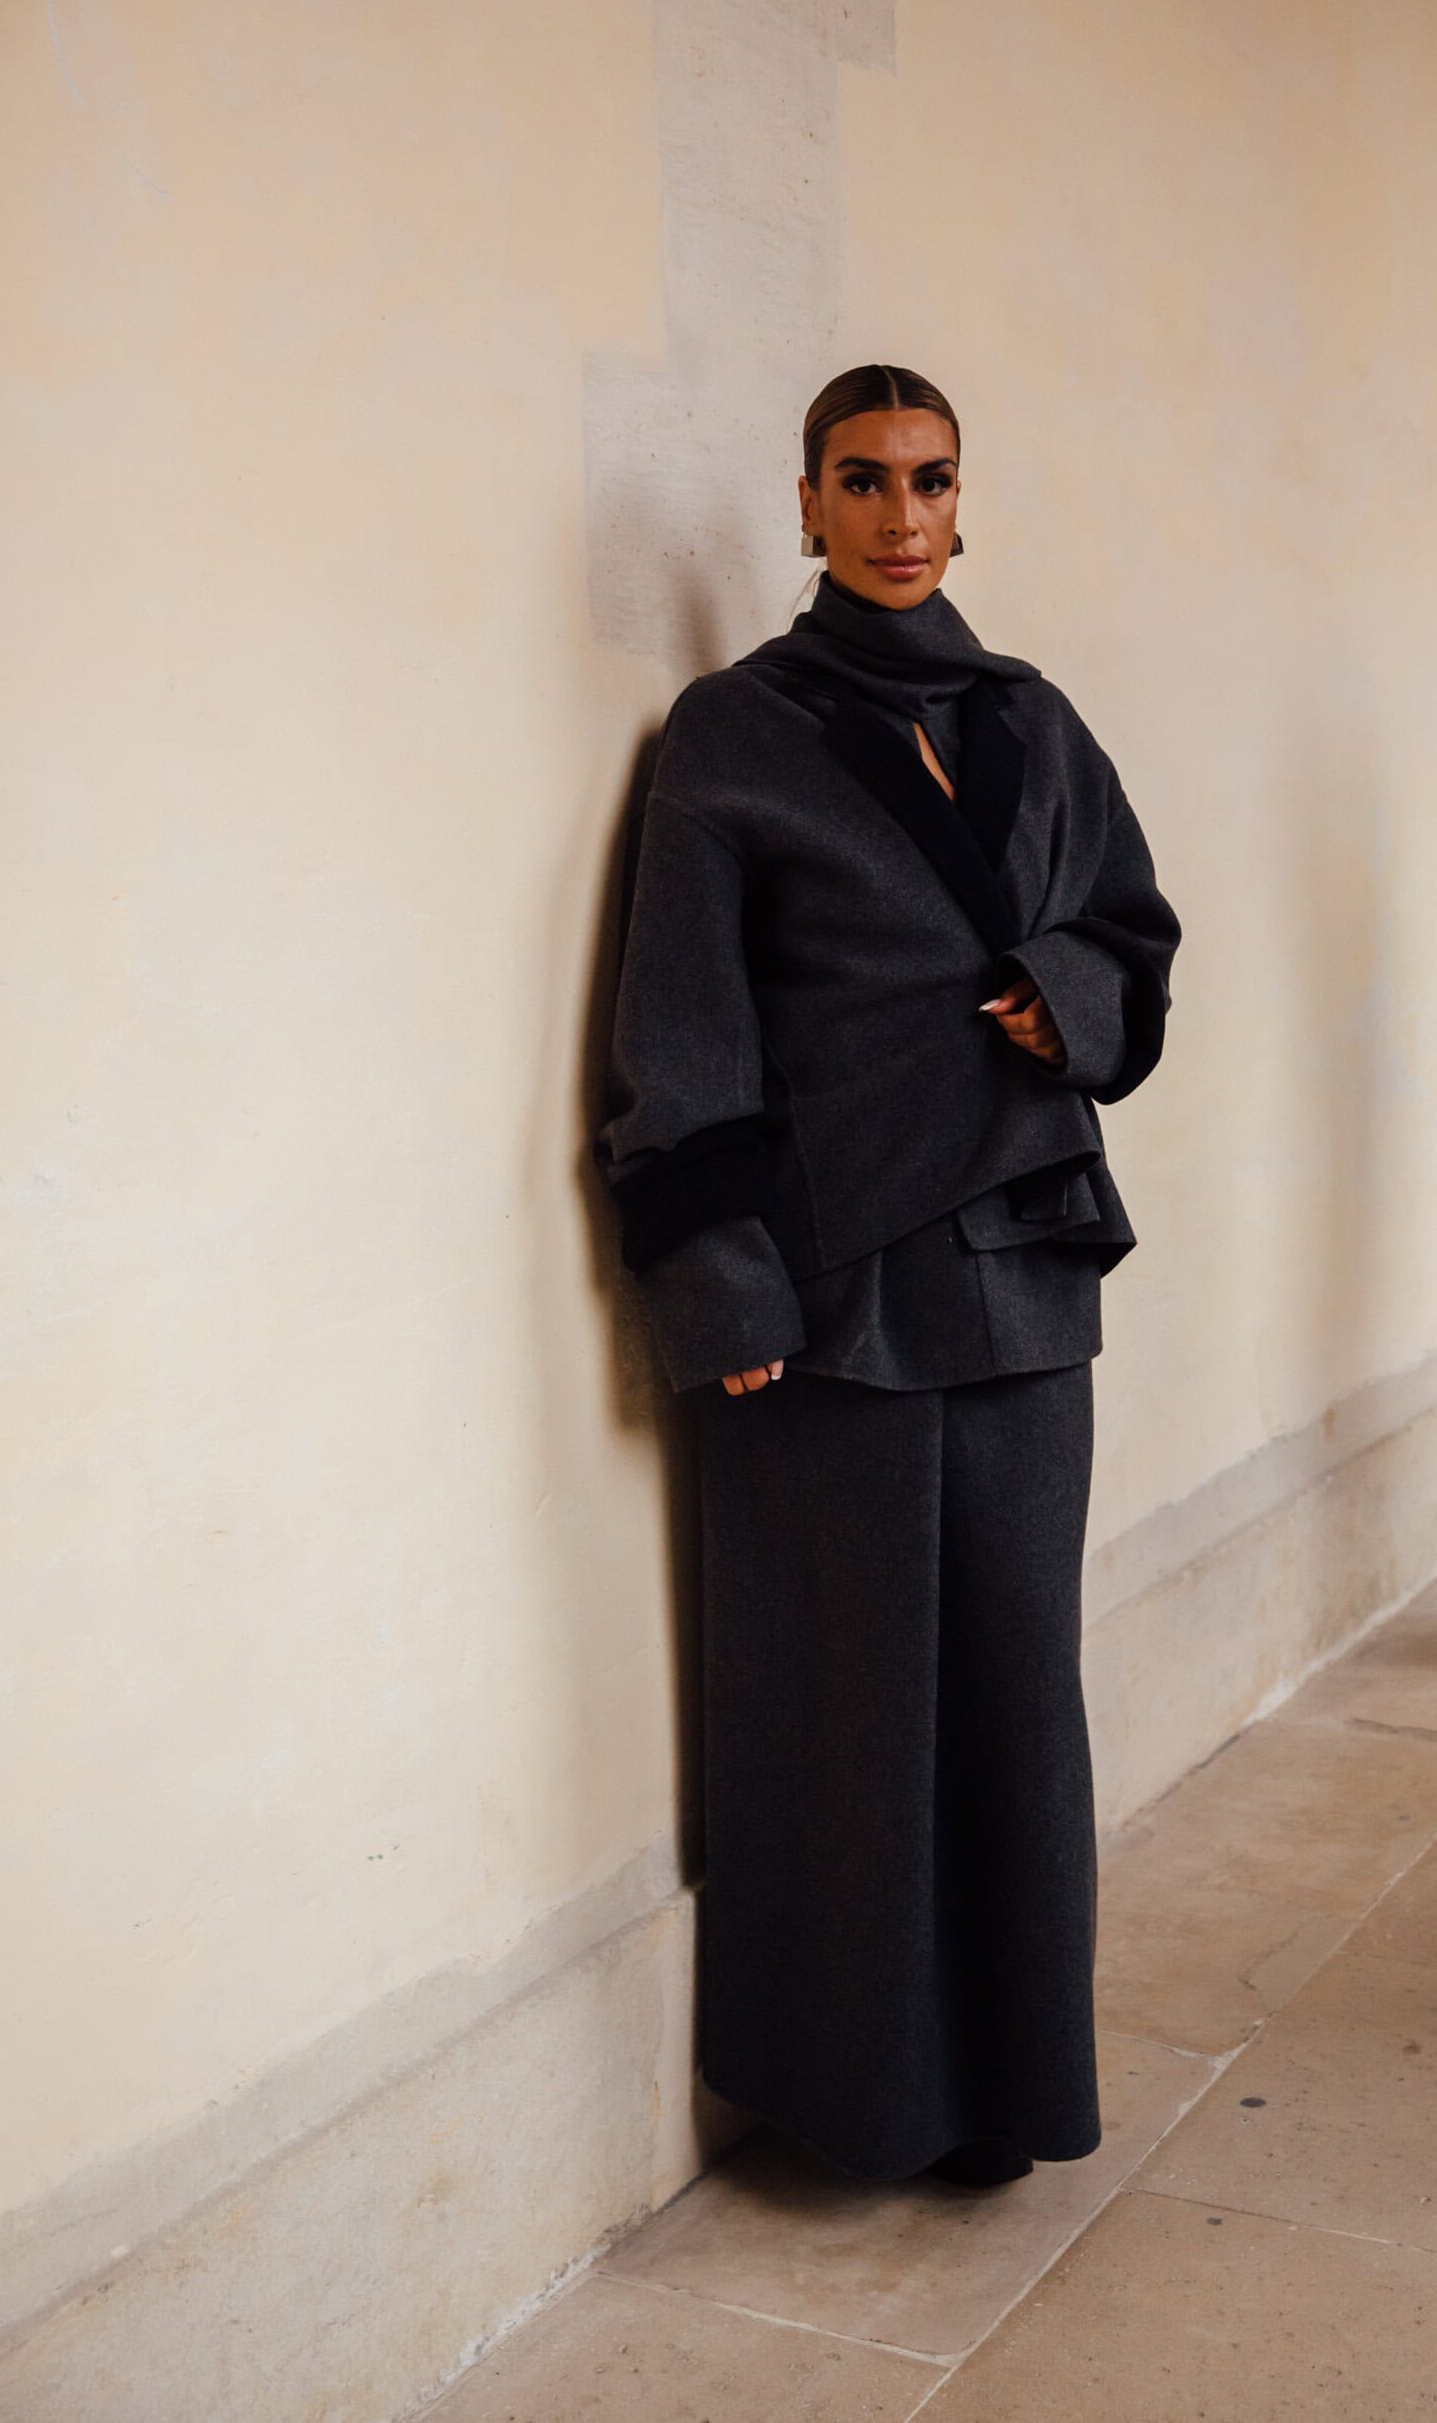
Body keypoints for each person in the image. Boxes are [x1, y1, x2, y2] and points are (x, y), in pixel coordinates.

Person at [594, 363, 1180, 2188]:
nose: (900, 515)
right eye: (862, 481)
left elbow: (1132, 934)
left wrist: (1062, 1001)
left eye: (929, 480)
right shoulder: (734, 732)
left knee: (1017, 1702)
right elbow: (679, 1027)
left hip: (1025, 1272)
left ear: (960, 499)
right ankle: (852, 2108)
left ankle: (1009, 2099)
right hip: (828, 1298)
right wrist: (722, 1286)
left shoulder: (1034, 720)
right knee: (840, 1709)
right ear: (807, 504)